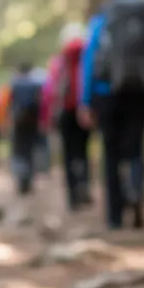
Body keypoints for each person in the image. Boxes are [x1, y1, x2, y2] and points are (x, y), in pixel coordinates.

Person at [79, 0, 144, 230]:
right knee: (136, 150)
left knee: (111, 154)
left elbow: (89, 62)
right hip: (139, 94)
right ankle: (136, 190)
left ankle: (115, 216)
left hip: (106, 95)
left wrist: (85, 101)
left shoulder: (102, 21)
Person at [45, 22, 93, 211]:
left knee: (69, 152)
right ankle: (84, 186)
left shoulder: (58, 61)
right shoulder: (87, 57)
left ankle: (73, 196)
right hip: (85, 110)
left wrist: (48, 117)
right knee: (83, 150)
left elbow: (50, 91)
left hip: (65, 112)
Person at [6, 63, 45, 195]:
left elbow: (9, 103)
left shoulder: (14, 84)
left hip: (19, 122)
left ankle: (21, 179)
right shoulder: (36, 84)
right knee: (30, 150)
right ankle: (29, 180)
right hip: (33, 122)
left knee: (19, 151)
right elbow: (42, 102)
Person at [31, 66, 52, 176]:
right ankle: (43, 168)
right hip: (41, 121)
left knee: (36, 145)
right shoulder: (46, 88)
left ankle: (38, 168)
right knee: (43, 144)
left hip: (33, 123)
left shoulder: (34, 89)